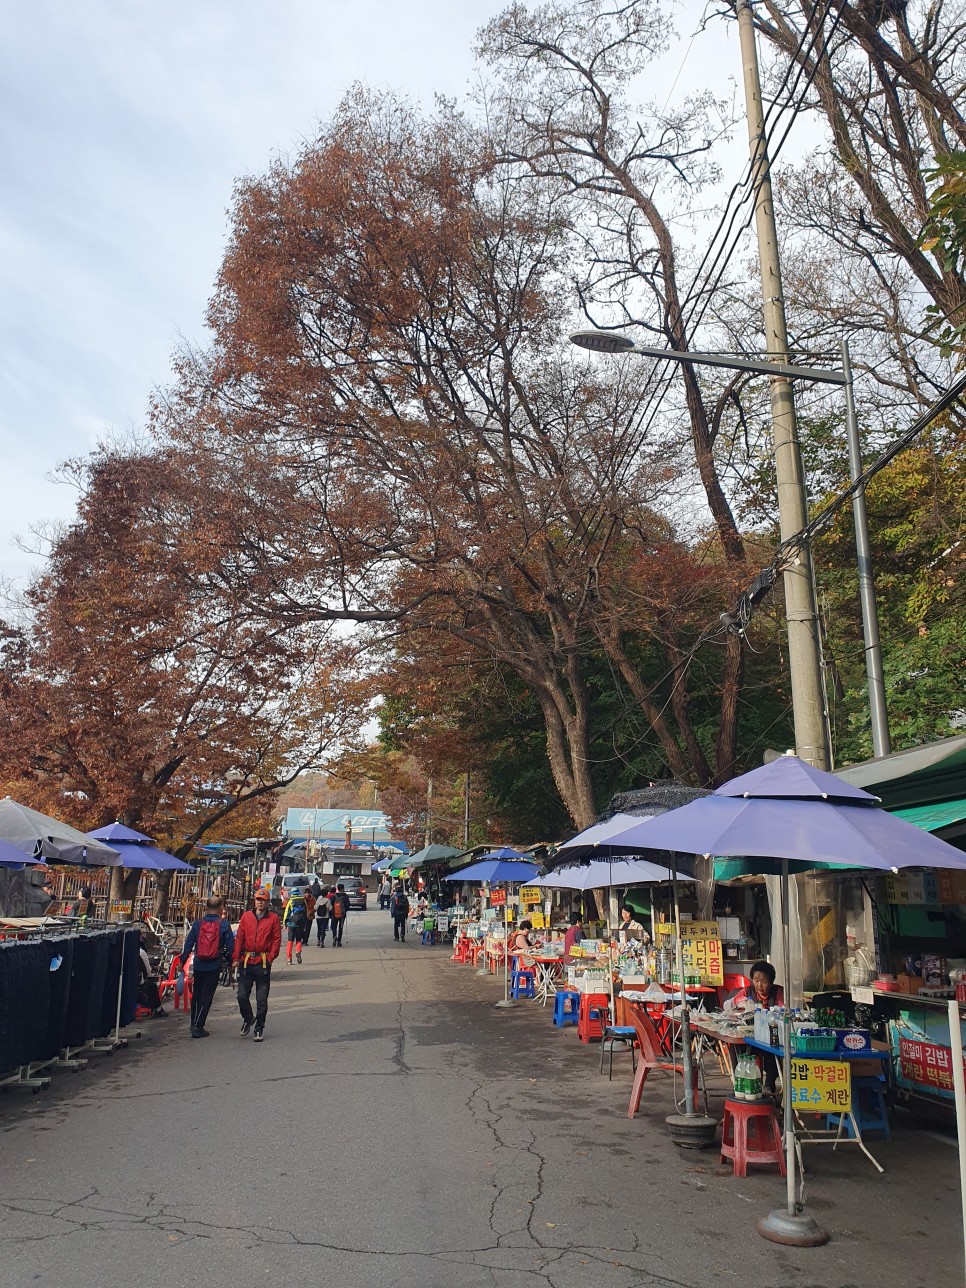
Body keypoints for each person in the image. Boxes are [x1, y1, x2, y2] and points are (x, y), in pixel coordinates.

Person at [181, 896, 235, 1038]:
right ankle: (199, 1026)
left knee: (197, 994)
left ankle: (194, 1023)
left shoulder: (198, 924)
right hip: (214, 964)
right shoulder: (223, 924)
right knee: (207, 995)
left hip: (199, 963)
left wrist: (183, 960)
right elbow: (230, 946)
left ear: (206, 907)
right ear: (221, 907)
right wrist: (232, 963)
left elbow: (189, 943)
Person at [233, 887, 281, 1041]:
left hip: (263, 962)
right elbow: (240, 937)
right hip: (246, 961)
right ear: (254, 901)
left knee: (261, 999)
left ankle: (259, 1027)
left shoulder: (273, 918)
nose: (260, 903)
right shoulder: (246, 916)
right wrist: (236, 958)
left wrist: (271, 957)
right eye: (258, 900)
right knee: (241, 995)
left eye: (263, 900)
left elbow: (276, 940)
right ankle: (248, 1018)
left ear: (267, 903)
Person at [138, 934, 167, 1017]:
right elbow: (148, 972)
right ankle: (158, 1009)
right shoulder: (141, 952)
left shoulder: (122, 952)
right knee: (152, 985)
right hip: (138, 986)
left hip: (122, 986)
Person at [283, 889, 309, 963]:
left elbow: (286, 913)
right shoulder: (303, 901)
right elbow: (306, 912)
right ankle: (298, 951)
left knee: (290, 941)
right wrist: (305, 922)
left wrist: (285, 923)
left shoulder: (291, 901)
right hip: (300, 924)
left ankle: (289, 959)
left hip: (291, 923)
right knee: (298, 940)